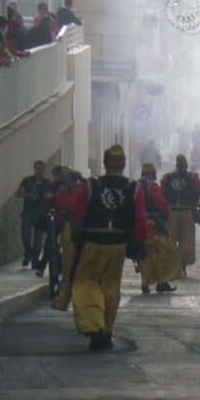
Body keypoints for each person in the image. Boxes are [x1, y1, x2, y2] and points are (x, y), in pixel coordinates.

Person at [55, 145, 148, 350]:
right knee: (111, 287)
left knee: (86, 283)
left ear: (105, 164)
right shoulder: (134, 188)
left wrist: (75, 234)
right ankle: (106, 328)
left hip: (92, 243)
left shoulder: (90, 185)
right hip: (119, 245)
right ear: (123, 165)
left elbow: (78, 213)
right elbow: (140, 219)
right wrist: (140, 243)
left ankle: (95, 327)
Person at [137, 163, 183, 294]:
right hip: (154, 226)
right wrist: (168, 216)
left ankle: (145, 283)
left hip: (139, 225)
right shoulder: (152, 187)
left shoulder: (135, 186)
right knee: (164, 253)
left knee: (144, 255)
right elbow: (162, 204)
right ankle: (162, 282)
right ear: (152, 173)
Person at [161, 154, 200, 270]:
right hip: (187, 212)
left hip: (171, 212)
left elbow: (161, 193)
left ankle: (170, 262)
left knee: (170, 238)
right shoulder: (192, 177)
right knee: (186, 240)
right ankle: (181, 263)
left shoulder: (167, 177)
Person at [50, 167, 86, 312]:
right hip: (70, 225)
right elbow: (68, 204)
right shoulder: (63, 190)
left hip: (79, 226)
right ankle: (67, 281)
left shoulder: (80, 189)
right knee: (69, 256)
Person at [14, 161, 48, 268]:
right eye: (38, 169)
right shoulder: (27, 181)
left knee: (38, 240)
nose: (40, 171)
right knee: (25, 236)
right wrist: (28, 195)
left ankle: (35, 261)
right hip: (28, 212)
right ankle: (29, 253)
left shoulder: (47, 182)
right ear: (34, 169)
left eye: (42, 169)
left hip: (41, 214)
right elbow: (18, 193)